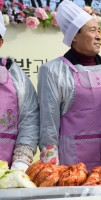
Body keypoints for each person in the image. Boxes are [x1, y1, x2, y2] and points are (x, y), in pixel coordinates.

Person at [38, 0, 101, 171]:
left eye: (99, 30)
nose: (99, 36)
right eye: (92, 31)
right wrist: (50, 170)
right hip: (72, 164)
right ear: (74, 36)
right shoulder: (53, 70)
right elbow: (48, 124)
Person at [0, 12, 39, 171]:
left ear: (0, 42)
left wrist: (20, 164)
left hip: (7, 173)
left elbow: (29, 119)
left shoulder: (15, 75)